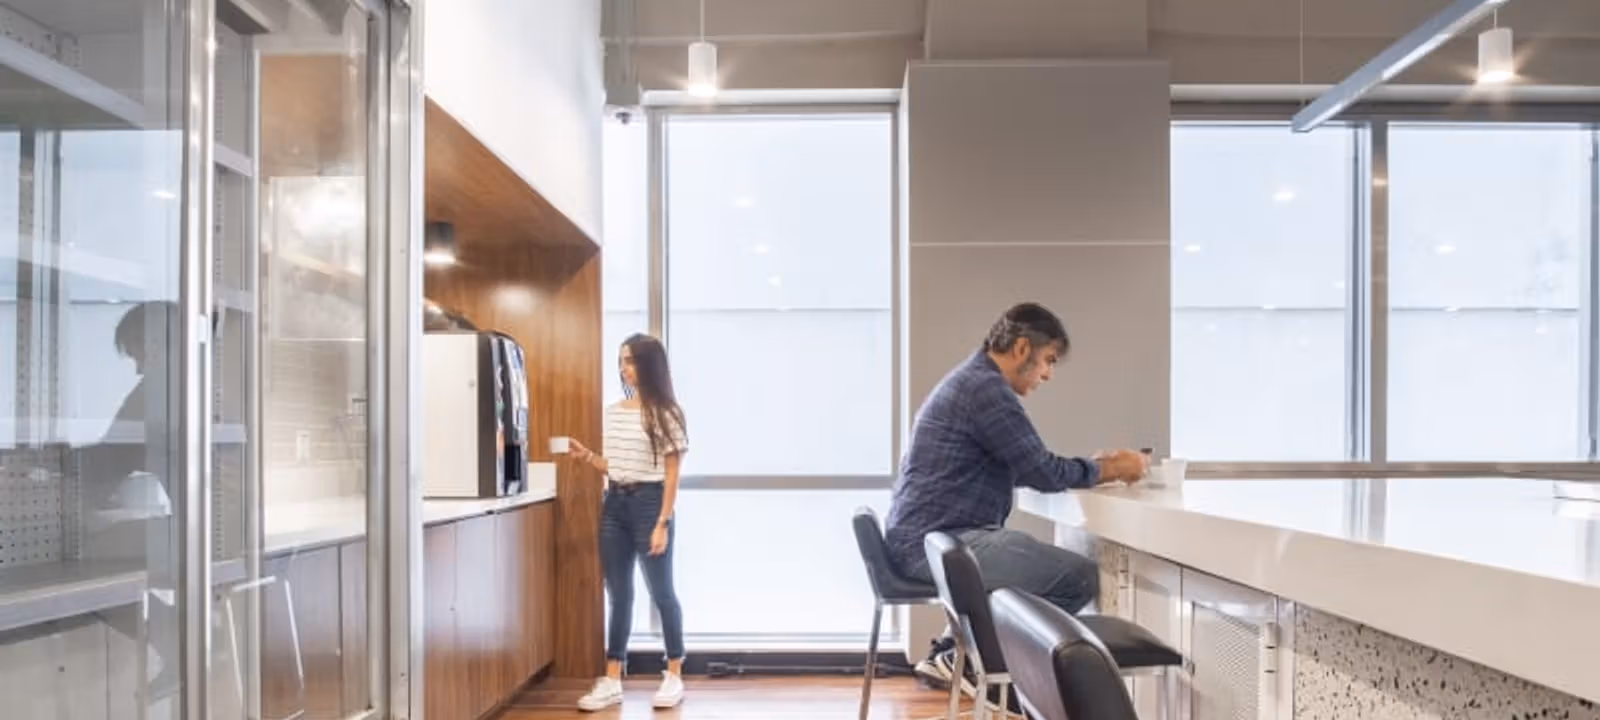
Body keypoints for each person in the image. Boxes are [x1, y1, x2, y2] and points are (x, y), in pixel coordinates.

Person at [884, 302, 1148, 687]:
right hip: (941, 542)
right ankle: (972, 661)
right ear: (1022, 348)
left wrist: (1089, 468)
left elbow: (1028, 463)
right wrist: (1113, 467)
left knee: (1022, 575)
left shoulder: (971, 380)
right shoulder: (986, 390)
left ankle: (952, 652)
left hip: (928, 540)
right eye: (1049, 360)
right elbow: (1040, 470)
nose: (1048, 374)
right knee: (1077, 579)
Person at [567, 334, 690, 711]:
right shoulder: (614, 411)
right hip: (615, 504)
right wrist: (588, 456)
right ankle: (612, 678)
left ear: (649, 366)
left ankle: (673, 673)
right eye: (621, 361)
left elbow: (671, 475)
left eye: (632, 361)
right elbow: (617, 466)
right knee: (618, 594)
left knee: (661, 591)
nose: (624, 368)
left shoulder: (666, 412)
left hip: (651, 504)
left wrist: (662, 522)